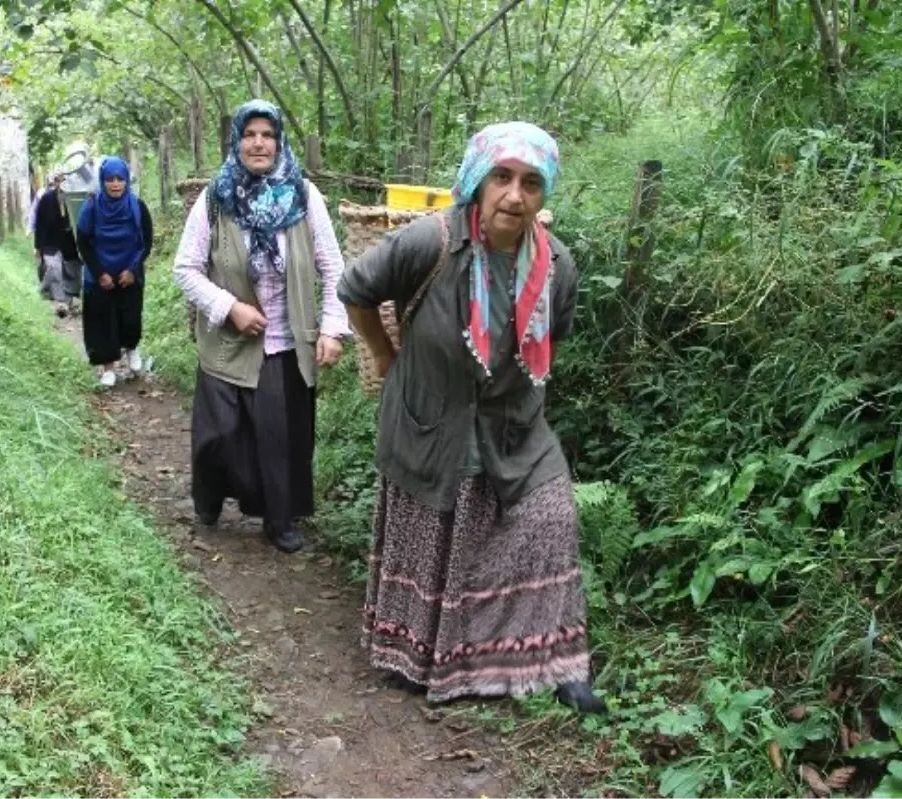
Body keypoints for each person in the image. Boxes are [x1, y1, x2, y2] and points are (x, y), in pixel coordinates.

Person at [336, 122, 605, 712]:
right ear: (478, 181)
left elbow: (551, 339)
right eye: (502, 178)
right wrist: (384, 353)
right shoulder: (428, 242)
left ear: (544, 193)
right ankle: (418, 655)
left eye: (531, 183)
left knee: (551, 521)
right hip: (431, 422)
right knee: (435, 539)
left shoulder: (557, 265)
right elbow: (355, 288)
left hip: (514, 427)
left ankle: (557, 660)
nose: (515, 195)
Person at [173, 99, 352, 554]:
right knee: (218, 438)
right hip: (228, 342)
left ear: (279, 141)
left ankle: (279, 518)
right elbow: (186, 269)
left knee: (279, 438)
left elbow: (332, 267)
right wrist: (229, 306)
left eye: (267, 134)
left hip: (286, 343)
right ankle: (210, 500)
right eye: (250, 134)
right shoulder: (217, 197)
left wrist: (332, 327)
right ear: (237, 140)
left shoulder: (304, 196)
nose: (258, 143)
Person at [75, 157, 154, 387]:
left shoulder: (137, 206)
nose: (116, 184)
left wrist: (132, 269)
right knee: (102, 321)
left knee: (130, 318)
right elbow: (83, 242)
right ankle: (108, 367)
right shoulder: (91, 206)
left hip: (129, 273)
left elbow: (146, 242)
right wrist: (100, 274)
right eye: (110, 179)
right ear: (103, 181)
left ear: (127, 180)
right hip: (99, 275)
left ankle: (132, 350)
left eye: (120, 179)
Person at [33, 172, 82, 318]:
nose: (62, 182)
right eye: (59, 180)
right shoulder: (47, 199)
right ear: (56, 182)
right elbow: (40, 223)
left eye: (65, 179)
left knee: (71, 272)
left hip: (70, 243)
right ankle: (60, 302)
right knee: (53, 269)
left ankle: (68, 302)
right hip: (50, 242)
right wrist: (38, 246)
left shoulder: (75, 198)